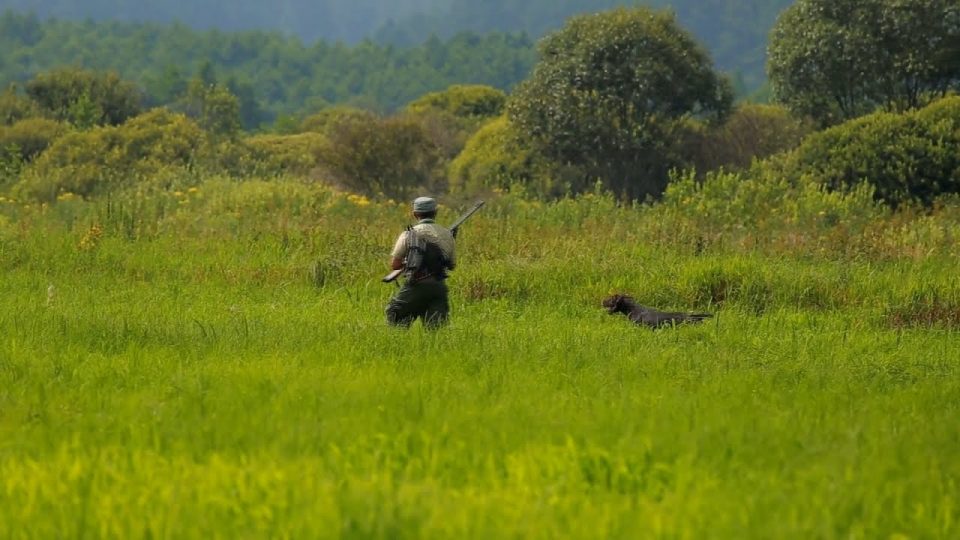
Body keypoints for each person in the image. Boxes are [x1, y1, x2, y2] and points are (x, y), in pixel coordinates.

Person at [385, 196, 456, 329]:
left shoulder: (409, 234)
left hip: (416, 285)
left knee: (395, 314)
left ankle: (399, 346)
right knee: (436, 330)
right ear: (435, 213)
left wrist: (410, 262)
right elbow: (452, 265)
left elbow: (395, 265)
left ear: (415, 214)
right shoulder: (447, 234)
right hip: (438, 287)